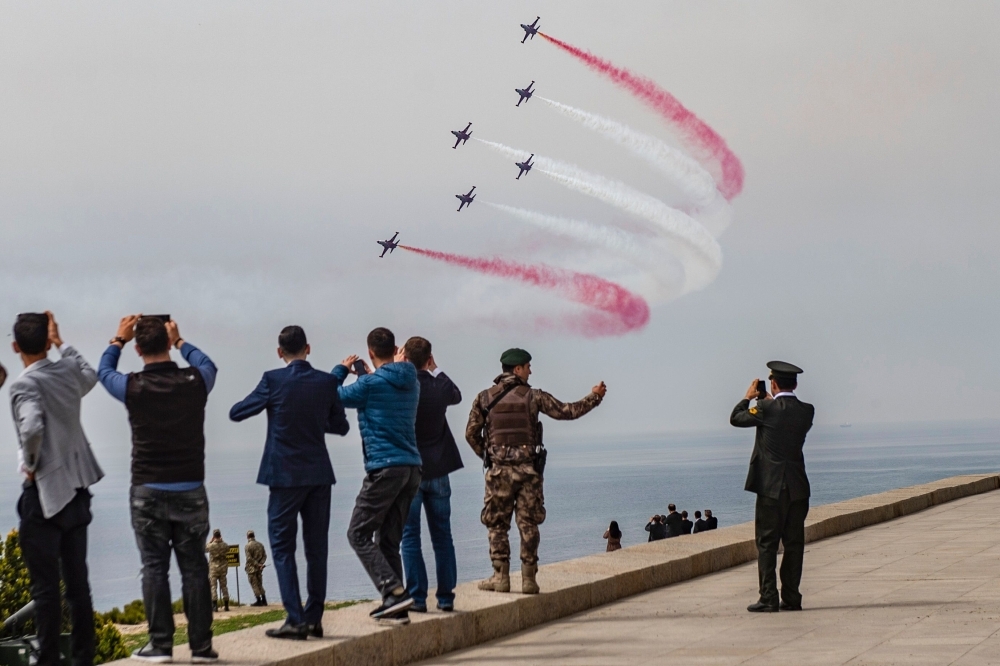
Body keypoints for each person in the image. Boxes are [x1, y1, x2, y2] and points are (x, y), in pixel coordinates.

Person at [98, 314, 218, 662]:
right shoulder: (195, 380)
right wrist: (182, 341)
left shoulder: (132, 386)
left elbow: (104, 371)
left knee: (154, 567)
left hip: (147, 488)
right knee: (195, 567)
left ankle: (161, 646)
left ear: (137, 349)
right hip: (191, 488)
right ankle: (202, 647)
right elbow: (208, 364)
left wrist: (116, 339)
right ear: (169, 344)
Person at [229, 325, 350, 639]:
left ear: (279, 352)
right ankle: (314, 619)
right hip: (319, 475)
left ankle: (295, 619)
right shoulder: (326, 382)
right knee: (317, 550)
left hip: (284, 477)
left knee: (282, 548)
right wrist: (312, 421)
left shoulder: (272, 379)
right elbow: (341, 427)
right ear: (308, 348)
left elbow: (238, 413)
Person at [465, 348, 606, 595]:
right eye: (528, 366)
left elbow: (470, 434)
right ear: (517, 369)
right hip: (529, 473)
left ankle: (501, 578)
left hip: (498, 474)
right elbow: (567, 411)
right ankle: (529, 580)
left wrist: (490, 457)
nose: (531, 370)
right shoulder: (534, 397)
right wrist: (594, 396)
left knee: (497, 525)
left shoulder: (484, 398)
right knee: (528, 524)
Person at [9, 312, 103, 666]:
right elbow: (90, 374)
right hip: (78, 491)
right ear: (47, 341)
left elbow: (31, 427)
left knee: (45, 589)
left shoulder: (23, 385)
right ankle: (84, 657)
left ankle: (48, 660)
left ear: (16, 346)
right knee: (79, 585)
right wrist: (64, 344)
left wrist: (30, 464)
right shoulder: (66, 371)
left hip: (46, 495)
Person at [334, 328, 422, 626]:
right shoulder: (411, 381)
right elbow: (384, 388)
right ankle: (397, 607)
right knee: (388, 541)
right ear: (396, 348)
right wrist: (371, 376)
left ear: (370, 352)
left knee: (357, 533)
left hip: (385, 468)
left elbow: (330, 397)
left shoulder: (368, 385)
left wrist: (341, 370)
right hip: (411, 469)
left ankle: (392, 592)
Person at [731, 361, 814, 613]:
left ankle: (768, 596)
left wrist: (748, 398)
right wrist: (770, 401)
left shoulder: (765, 408)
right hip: (798, 487)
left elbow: (736, 419)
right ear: (796, 384)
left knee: (767, 543)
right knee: (794, 543)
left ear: (773, 383)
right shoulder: (807, 410)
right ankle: (791, 596)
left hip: (771, 488)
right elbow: (784, 416)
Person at [399, 337, 463, 613]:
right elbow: (457, 394)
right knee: (442, 536)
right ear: (429, 358)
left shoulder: (401, 387)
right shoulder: (438, 387)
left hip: (410, 472)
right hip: (438, 471)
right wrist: (435, 369)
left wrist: (399, 364)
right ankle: (446, 598)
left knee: (409, 537)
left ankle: (417, 598)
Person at [205, 529, 230, 612]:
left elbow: (205, 549)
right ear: (220, 535)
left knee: (213, 587)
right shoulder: (224, 545)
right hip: (223, 569)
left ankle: (215, 606)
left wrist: (211, 541)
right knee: (224, 586)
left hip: (213, 569)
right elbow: (227, 549)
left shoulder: (211, 546)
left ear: (214, 536)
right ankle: (226, 605)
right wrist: (221, 541)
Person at [245, 530, 268, 607]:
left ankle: (258, 600)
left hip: (251, 568)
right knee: (260, 584)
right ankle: (264, 600)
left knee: (254, 584)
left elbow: (249, 558)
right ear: (254, 535)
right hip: (259, 568)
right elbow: (265, 556)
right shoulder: (260, 545)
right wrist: (261, 564)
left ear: (248, 536)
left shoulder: (248, 546)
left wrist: (257, 564)